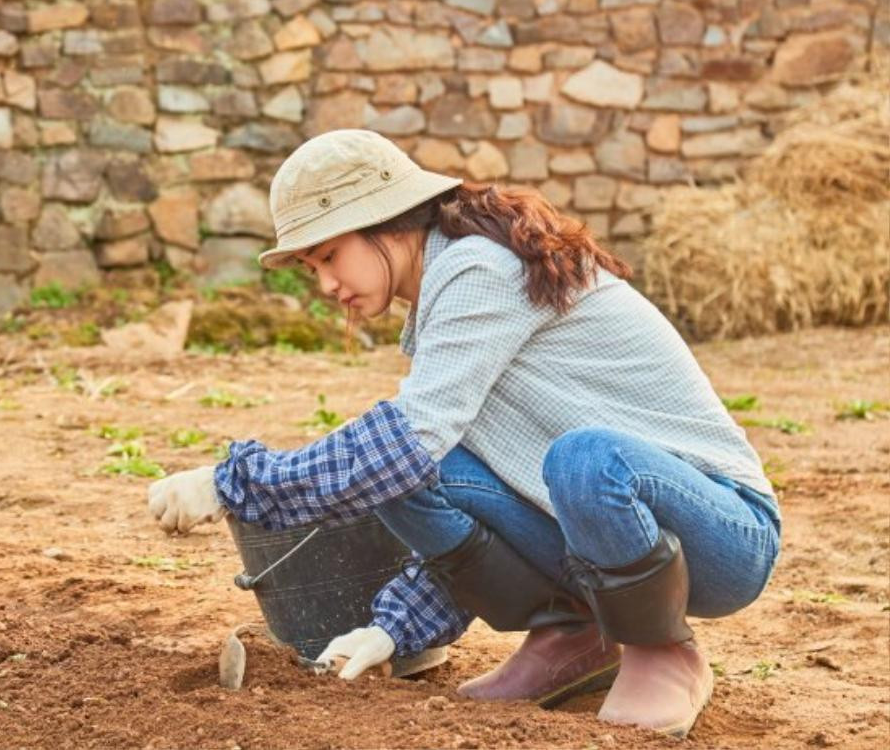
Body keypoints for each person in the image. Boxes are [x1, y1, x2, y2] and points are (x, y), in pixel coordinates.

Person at [146, 129, 781, 738]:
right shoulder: (439, 306)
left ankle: (661, 650)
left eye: (330, 256)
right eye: (312, 266)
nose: (326, 286)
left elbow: (405, 439)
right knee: (415, 474)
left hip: (723, 533)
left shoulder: (480, 269)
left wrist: (233, 484)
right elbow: (421, 468)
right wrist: (393, 628)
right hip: (591, 529)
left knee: (581, 458)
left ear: (386, 223)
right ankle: (573, 633)